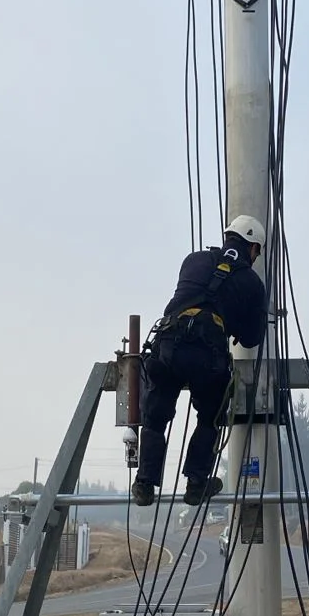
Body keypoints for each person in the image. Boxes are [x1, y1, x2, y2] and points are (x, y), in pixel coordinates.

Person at [132, 215, 268, 508]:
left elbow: (190, 294)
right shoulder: (252, 283)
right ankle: (196, 484)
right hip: (208, 354)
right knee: (209, 417)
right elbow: (251, 339)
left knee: (155, 417)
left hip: (168, 343)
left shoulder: (193, 260)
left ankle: (144, 483)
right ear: (254, 248)